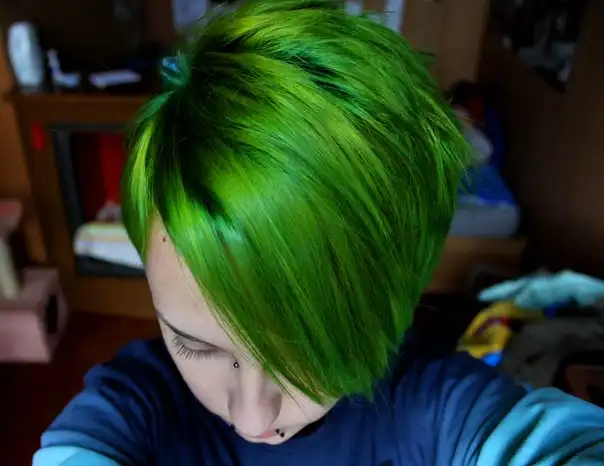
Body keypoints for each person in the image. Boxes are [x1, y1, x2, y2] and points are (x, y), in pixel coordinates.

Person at [34, 1, 604, 465]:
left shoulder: (438, 409)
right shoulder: (138, 402)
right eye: (195, 345)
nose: (252, 418)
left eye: (307, 350)